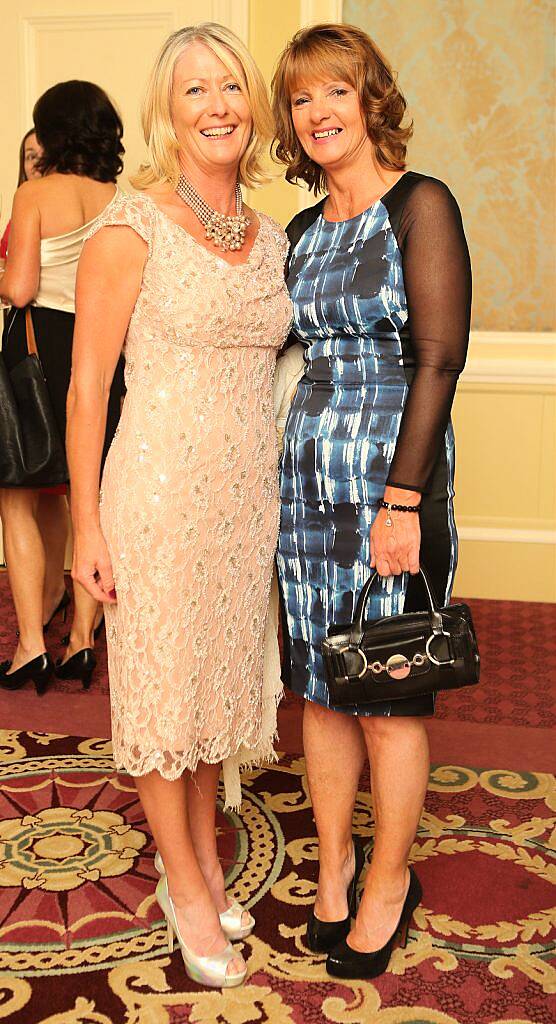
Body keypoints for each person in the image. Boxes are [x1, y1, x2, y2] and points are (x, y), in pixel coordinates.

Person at [67, 23, 291, 988]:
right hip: (155, 491)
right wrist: (86, 522)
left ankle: (199, 856)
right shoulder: (131, 226)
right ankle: (186, 888)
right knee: (167, 692)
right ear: (169, 109)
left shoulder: (274, 234)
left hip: (246, 500)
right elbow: (86, 392)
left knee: (214, 690)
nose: (218, 105)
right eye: (196, 90)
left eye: (232, 86)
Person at [272, 23, 471, 980]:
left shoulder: (419, 205)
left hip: (393, 481)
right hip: (306, 486)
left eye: (335, 93)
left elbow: (437, 357)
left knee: (388, 696)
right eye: (302, 98)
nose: (318, 113)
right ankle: (337, 864)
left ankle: (392, 879)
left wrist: (402, 500)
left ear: (369, 100)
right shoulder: (302, 233)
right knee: (319, 688)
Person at [0, 81, 126, 695]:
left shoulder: (36, 193)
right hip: (103, 347)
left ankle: (30, 646)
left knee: (18, 496)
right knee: (90, 496)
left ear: (49, 132)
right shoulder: (118, 198)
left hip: (38, 347)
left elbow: (21, 288)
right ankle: (81, 641)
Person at [0, 128, 73, 643]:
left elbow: (18, 287)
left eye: (43, 157)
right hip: (59, 347)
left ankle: (39, 623)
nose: (36, 165)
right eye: (29, 157)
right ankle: (56, 601)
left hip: (37, 352)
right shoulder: (23, 208)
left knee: (30, 487)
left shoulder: (42, 204)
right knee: (52, 491)